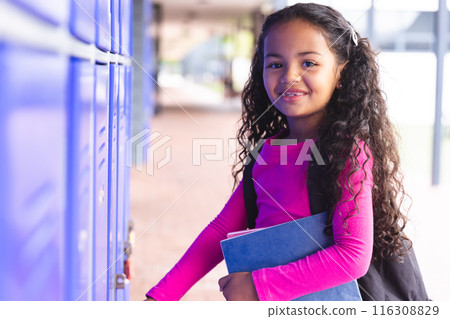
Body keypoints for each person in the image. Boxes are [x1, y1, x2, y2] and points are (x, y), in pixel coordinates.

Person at [145, 3, 410, 301]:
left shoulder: (347, 152)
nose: (290, 76)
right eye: (275, 64)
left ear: (340, 73)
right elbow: (221, 229)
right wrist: (162, 296)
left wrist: (258, 287)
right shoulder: (269, 152)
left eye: (308, 63)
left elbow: (352, 256)